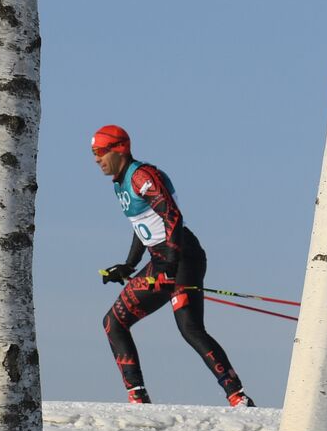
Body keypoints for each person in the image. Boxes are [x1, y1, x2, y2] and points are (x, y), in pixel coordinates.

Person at [92, 125, 254, 407]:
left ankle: (235, 397)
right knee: (135, 325)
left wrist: (169, 265)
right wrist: (128, 265)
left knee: (134, 324)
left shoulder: (141, 176)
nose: (96, 159)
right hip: (164, 258)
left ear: (119, 149)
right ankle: (234, 396)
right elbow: (142, 225)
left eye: (100, 152)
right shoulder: (120, 183)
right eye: (93, 153)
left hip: (180, 255)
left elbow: (172, 218)